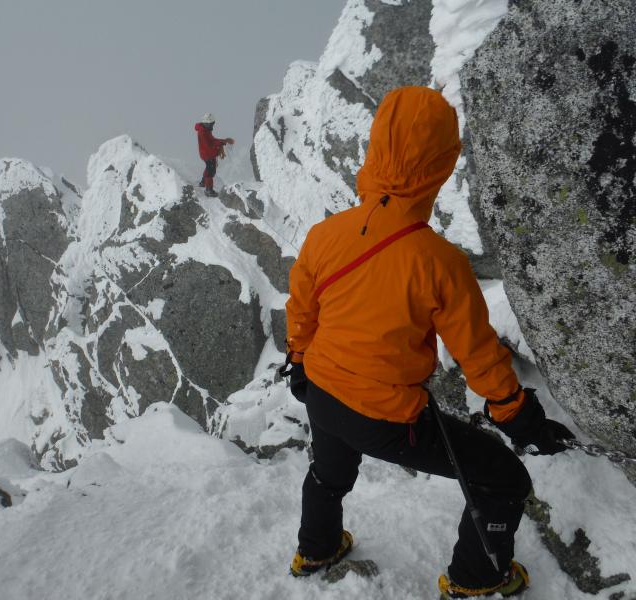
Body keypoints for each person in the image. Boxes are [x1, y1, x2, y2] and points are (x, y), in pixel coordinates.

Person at [283, 86, 575, 598]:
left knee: (329, 474)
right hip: (384, 416)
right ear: (441, 164)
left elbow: (302, 311)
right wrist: (516, 414)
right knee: (501, 478)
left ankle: (318, 548)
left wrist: (299, 360)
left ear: (375, 148)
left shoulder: (325, 235)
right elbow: (477, 353)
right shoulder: (438, 260)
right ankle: (476, 580)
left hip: (322, 393)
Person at [194, 113, 233, 197]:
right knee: (210, 171)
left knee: (209, 167)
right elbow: (209, 145)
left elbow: (212, 140)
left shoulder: (205, 130)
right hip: (207, 154)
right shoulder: (203, 132)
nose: (212, 125)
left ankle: (203, 182)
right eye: (211, 124)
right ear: (207, 123)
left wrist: (223, 141)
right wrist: (221, 144)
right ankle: (208, 190)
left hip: (206, 153)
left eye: (213, 123)